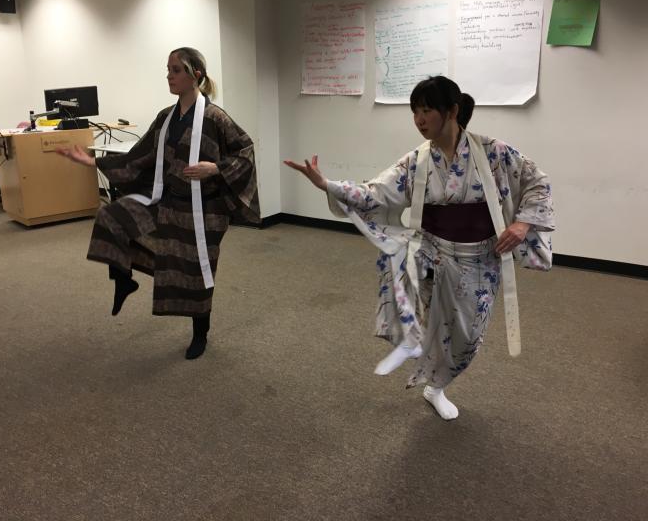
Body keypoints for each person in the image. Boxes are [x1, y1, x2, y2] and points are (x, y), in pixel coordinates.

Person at [285, 76, 554, 420]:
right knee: (398, 267)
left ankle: (435, 385)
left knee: (466, 338)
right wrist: (327, 184)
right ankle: (411, 339)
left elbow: (537, 181)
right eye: (415, 111)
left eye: (427, 110)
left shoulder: (494, 152)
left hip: (478, 259)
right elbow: (375, 193)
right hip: (433, 252)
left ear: (452, 111)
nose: (419, 119)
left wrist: (521, 224)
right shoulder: (416, 160)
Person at [56, 46, 260, 360]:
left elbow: (245, 152)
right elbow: (140, 157)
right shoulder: (166, 118)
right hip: (166, 201)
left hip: (202, 210)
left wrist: (215, 168)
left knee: (195, 273)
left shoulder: (215, 117)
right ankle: (124, 279)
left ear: (196, 75)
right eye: (168, 69)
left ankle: (200, 334)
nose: (170, 76)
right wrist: (92, 161)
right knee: (112, 215)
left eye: (176, 70)